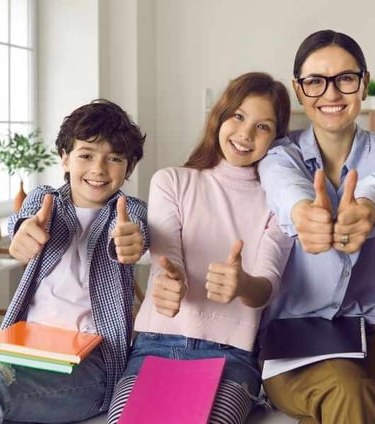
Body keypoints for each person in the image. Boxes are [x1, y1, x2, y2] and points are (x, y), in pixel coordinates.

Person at [0, 99, 148, 423]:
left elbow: (135, 232)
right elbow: (24, 221)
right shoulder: (45, 200)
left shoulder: (130, 211)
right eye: (86, 155)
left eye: (114, 158)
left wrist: (130, 240)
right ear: (65, 158)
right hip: (27, 350)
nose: (98, 168)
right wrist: (24, 232)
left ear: (129, 168)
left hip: (91, 366)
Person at [105, 72, 293, 424]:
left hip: (233, 356)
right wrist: (169, 283)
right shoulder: (172, 181)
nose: (246, 134)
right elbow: (168, 257)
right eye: (238, 116)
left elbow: (267, 284)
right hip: (155, 344)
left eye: (263, 126)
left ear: (275, 138)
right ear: (220, 115)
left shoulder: (278, 202)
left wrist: (242, 285)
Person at [256, 29, 375, 424]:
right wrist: (304, 214)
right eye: (315, 82)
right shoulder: (280, 154)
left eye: (345, 78)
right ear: (298, 89)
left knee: (358, 404)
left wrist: (365, 207)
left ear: (363, 82)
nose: (331, 94)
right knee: (348, 392)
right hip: (296, 334)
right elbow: (286, 189)